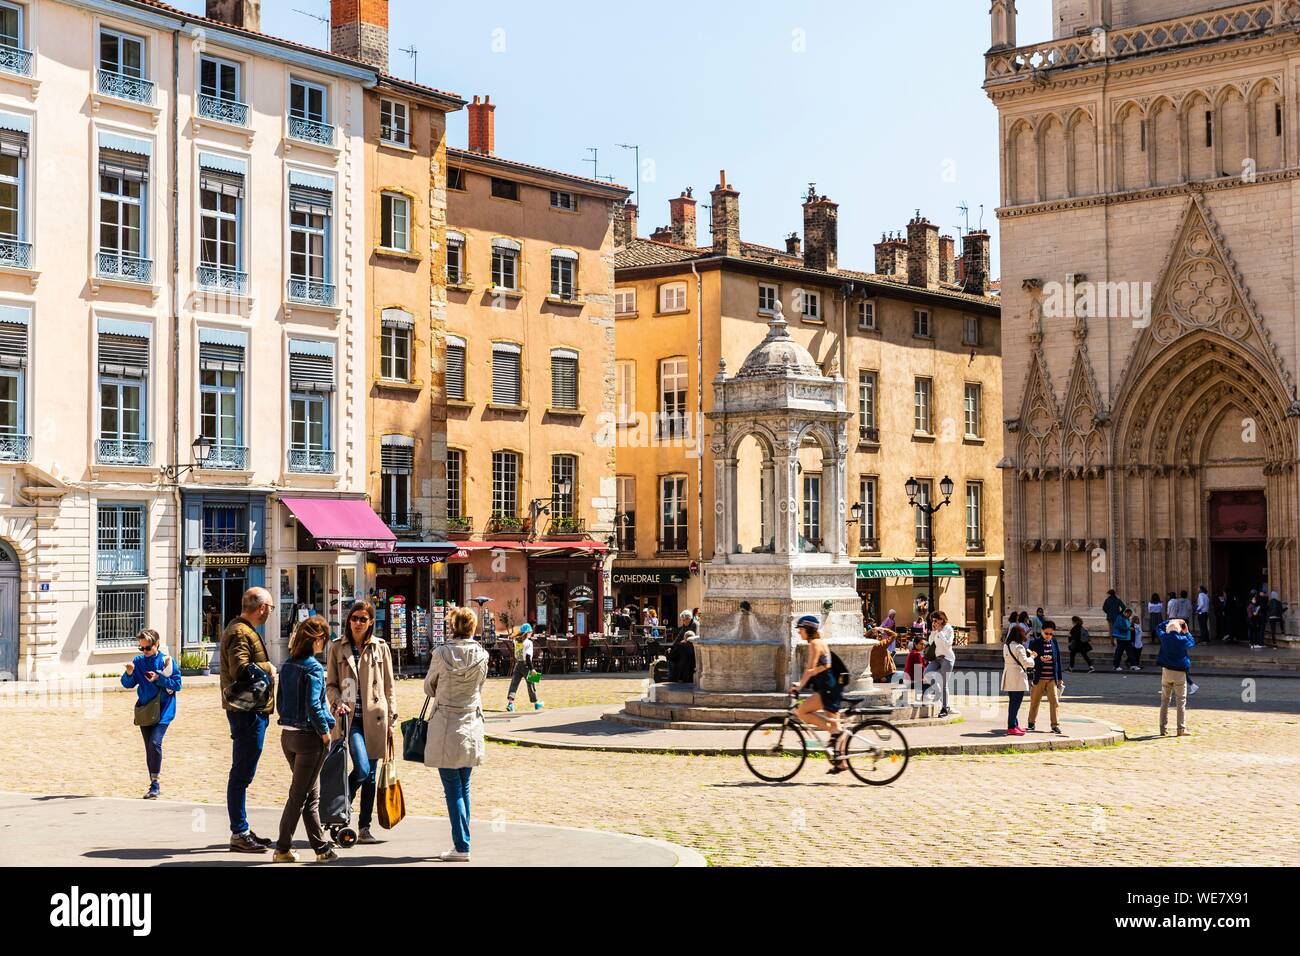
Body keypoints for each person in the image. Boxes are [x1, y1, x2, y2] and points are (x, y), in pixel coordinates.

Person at [326, 599, 398, 847]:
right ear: (349, 620)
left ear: (370, 622)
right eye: (354, 618)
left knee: (370, 777)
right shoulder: (337, 647)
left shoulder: (381, 648)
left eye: (362, 619)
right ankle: (336, 805)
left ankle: (364, 827)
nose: (357, 623)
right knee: (363, 769)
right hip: (350, 720)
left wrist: (392, 720)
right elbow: (331, 685)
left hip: (376, 718)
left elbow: (389, 686)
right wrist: (336, 703)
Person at [424, 605, 489, 862]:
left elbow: (429, 686)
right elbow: (479, 686)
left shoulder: (441, 653)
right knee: (464, 785)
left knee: (452, 788)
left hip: (446, 724)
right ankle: (464, 841)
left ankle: (462, 845)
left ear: (453, 627)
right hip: (470, 723)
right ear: (472, 628)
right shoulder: (482, 656)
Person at [273, 616, 338, 864]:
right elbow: (313, 704)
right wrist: (324, 731)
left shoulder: (288, 665)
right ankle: (282, 847)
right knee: (299, 795)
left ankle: (322, 848)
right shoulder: (313, 668)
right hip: (309, 739)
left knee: (311, 794)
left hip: (288, 735)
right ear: (317, 640)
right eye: (325, 639)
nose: (326, 644)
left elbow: (281, 701)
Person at [220, 586, 277, 853]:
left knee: (244, 772)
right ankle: (239, 832)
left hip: (253, 710)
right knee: (241, 773)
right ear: (262, 607)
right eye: (271, 608)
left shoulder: (243, 630)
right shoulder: (240, 632)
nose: (270, 613)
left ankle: (241, 827)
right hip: (247, 712)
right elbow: (240, 669)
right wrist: (268, 668)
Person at [121, 628, 182, 800]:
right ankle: (153, 782)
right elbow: (127, 684)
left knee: (155, 743)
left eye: (148, 648)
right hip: (145, 710)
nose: (144, 652)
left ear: (157, 645)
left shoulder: (166, 661)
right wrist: (129, 673)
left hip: (164, 710)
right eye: (142, 648)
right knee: (149, 747)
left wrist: (159, 678)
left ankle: (155, 784)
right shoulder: (138, 662)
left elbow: (177, 684)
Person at [789, 615, 847, 774]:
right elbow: (825, 665)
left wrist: (799, 686)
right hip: (830, 686)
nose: (799, 633)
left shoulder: (814, 644)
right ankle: (842, 762)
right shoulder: (821, 642)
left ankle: (835, 733)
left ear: (808, 629)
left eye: (800, 629)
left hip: (827, 688)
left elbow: (810, 668)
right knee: (836, 725)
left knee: (802, 711)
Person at [1156, 618, 1195, 737]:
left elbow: (1158, 627)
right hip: (1179, 673)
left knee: (1165, 701)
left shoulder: (1164, 637)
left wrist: (1171, 620)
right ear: (1179, 630)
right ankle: (1181, 729)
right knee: (1181, 702)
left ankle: (1163, 728)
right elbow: (1192, 643)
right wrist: (1187, 631)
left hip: (1166, 671)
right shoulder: (1182, 640)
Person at [1026, 619, 1065, 734]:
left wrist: (1059, 678)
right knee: (1035, 701)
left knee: (1054, 702)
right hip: (1039, 677)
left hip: (1051, 678)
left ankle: (1055, 725)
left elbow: (1057, 660)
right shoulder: (1035, 643)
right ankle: (1031, 723)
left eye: (1051, 633)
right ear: (1042, 631)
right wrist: (1040, 660)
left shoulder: (1054, 642)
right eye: (1046, 633)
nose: (1049, 636)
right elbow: (1030, 660)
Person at [1001, 622, 1037, 736]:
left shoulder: (1006, 646)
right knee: (1016, 703)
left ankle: (1015, 724)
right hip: (1017, 676)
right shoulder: (1019, 647)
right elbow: (1026, 663)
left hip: (1008, 675)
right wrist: (1032, 657)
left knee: (1012, 702)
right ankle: (1011, 726)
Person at [924, 611, 957, 718]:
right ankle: (939, 693)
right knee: (927, 673)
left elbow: (948, 644)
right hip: (936, 658)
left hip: (947, 659)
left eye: (935, 620)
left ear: (941, 619)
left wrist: (940, 632)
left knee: (944, 683)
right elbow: (930, 642)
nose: (934, 622)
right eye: (932, 621)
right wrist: (934, 631)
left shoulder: (948, 629)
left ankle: (945, 707)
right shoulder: (936, 630)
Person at [505, 623, 541, 712]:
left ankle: (510, 703)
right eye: (530, 632)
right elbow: (528, 657)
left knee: (514, 684)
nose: (531, 633)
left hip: (518, 664)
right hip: (526, 665)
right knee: (531, 684)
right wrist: (532, 669)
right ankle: (536, 703)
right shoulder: (529, 643)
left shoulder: (516, 641)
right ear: (528, 633)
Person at [1111, 606, 1134, 672]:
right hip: (1121, 638)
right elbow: (1120, 627)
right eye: (1129, 614)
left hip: (1127, 638)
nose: (1130, 616)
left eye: (1130, 615)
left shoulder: (1127, 619)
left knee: (1130, 652)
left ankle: (1133, 665)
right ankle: (1116, 666)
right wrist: (1129, 628)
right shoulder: (1120, 618)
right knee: (1119, 653)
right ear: (1126, 613)